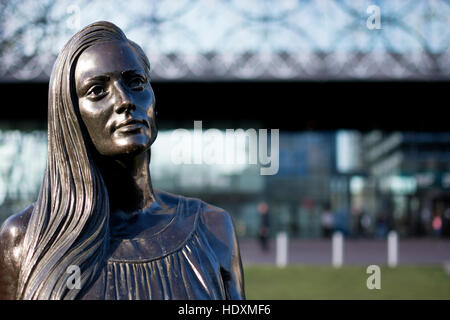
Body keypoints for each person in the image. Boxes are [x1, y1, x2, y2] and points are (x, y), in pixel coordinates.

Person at [0, 21, 244, 300]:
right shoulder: (24, 238)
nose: (125, 100)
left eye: (135, 82)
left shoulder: (212, 228)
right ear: (70, 113)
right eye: (97, 90)